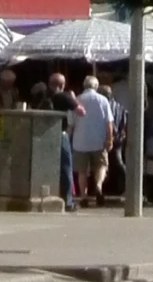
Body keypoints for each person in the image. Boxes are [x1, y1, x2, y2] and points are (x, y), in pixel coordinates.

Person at [71, 73, 114, 204]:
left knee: (82, 171)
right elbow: (109, 122)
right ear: (96, 86)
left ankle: (83, 196)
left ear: (84, 86)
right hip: (98, 140)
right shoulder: (103, 100)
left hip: (80, 141)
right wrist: (109, 139)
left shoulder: (76, 100)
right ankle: (98, 186)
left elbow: (71, 124)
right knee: (101, 166)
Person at [47, 71, 80, 212]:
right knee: (66, 166)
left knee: (47, 166)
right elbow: (81, 111)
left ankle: (48, 194)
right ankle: (68, 201)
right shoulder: (64, 96)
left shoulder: (43, 95)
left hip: (44, 135)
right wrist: (73, 98)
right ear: (63, 85)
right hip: (61, 134)